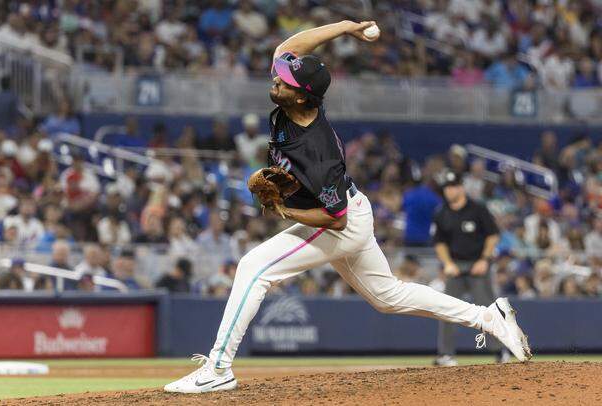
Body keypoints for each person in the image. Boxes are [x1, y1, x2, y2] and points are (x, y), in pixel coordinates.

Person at [164, 20, 531, 395]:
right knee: (389, 297)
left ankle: (219, 367)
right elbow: (287, 47)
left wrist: (284, 211)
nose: (274, 81)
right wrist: (343, 27)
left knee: (254, 268)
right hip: (351, 209)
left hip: (341, 221)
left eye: (284, 82)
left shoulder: (318, 152)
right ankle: (488, 317)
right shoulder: (295, 101)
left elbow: (334, 219)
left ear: (304, 97)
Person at [432, 170, 505, 366]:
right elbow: (439, 243)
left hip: (478, 266)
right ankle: (446, 354)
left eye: (452, 186)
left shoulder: (477, 208)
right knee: (446, 310)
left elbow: (492, 235)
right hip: (455, 267)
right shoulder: (442, 212)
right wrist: (447, 263)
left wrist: (485, 259)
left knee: (488, 310)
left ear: (461, 187)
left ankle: (500, 351)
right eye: (446, 188)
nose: (449, 191)